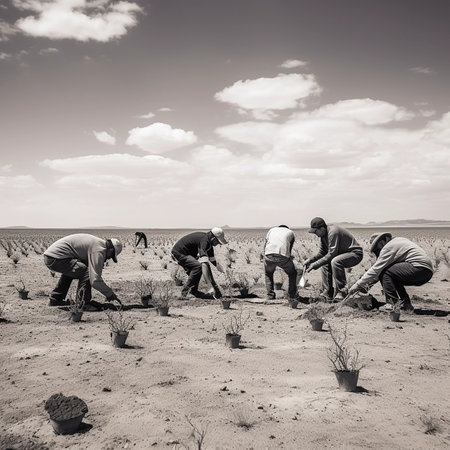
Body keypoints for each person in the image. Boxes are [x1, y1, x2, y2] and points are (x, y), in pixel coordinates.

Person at [348, 233, 433, 312]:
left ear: (382, 242)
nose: (378, 250)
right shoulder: (398, 240)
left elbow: (376, 270)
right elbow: (382, 275)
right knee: (393, 276)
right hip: (426, 271)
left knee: (386, 272)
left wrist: (357, 285)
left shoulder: (388, 247)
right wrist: (367, 285)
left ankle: (392, 304)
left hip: (418, 268)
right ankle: (406, 304)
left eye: (377, 247)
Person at [44, 233, 123, 310]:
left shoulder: (98, 244)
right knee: (86, 271)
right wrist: (110, 294)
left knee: (75, 268)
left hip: (51, 257)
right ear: (110, 250)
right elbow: (95, 280)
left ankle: (55, 299)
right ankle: (83, 303)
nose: (109, 258)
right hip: (55, 258)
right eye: (111, 256)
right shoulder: (99, 250)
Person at [304, 217, 363, 301]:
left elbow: (332, 254)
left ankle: (342, 292)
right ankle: (327, 293)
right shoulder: (323, 236)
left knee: (335, 261)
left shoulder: (333, 232)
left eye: (316, 231)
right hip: (342, 255)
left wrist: (315, 265)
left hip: (355, 254)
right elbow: (322, 253)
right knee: (325, 263)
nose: (315, 234)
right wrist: (310, 261)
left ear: (322, 228)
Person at [171, 228, 227, 299]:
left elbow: (212, 260)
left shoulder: (208, 243)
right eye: (218, 242)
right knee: (198, 267)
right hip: (179, 253)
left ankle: (193, 291)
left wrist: (220, 268)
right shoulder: (204, 242)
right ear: (213, 238)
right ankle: (184, 293)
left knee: (198, 270)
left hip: (187, 254)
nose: (218, 244)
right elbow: (204, 263)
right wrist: (209, 285)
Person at [264, 225, 298, 300]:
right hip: (282, 255)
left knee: (268, 274)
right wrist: (289, 257)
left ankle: (270, 296)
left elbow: (265, 244)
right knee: (292, 273)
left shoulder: (271, 230)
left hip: (269, 254)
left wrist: (266, 256)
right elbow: (289, 248)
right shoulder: (290, 232)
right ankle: (292, 295)